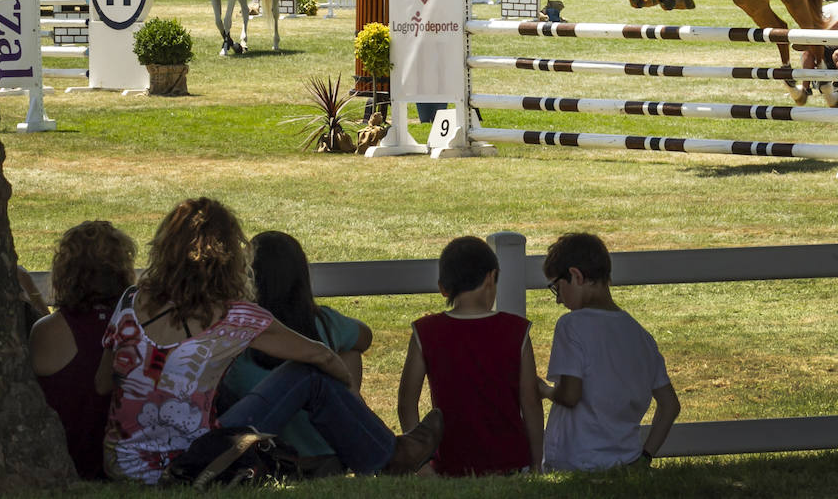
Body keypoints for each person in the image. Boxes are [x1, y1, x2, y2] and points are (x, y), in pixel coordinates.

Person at [98, 197, 441, 484]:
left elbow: (103, 383)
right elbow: (321, 357)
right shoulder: (236, 316)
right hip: (193, 464)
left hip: (120, 465)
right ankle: (391, 456)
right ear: (230, 258)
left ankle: (377, 454)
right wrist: (349, 390)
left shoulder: (131, 300)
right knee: (309, 377)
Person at [220, 231, 375, 477]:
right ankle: (375, 448)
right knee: (349, 350)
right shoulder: (323, 322)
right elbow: (364, 337)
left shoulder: (239, 330)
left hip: (266, 451)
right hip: (325, 453)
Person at [397, 236, 543, 476]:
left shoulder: (425, 331)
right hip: (510, 460)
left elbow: (406, 402)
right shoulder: (517, 330)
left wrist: (420, 462)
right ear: (490, 277)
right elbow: (531, 403)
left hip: (450, 462)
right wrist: (537, 463)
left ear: (443, 287)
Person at [538, 232, 680, 472]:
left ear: (575, 276)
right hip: (626, 460)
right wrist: (645, 457)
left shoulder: (571, 325)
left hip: (575, 460)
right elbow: (670, 406)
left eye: (557, 288)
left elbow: (570, 395)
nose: (558, 301)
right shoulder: (641, 336)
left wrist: (545, 390)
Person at [29, 221, 137, 480]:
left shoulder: (48, 330)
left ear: (66, 271)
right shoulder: (138, 326)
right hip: (124, 461)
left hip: (71, 459)